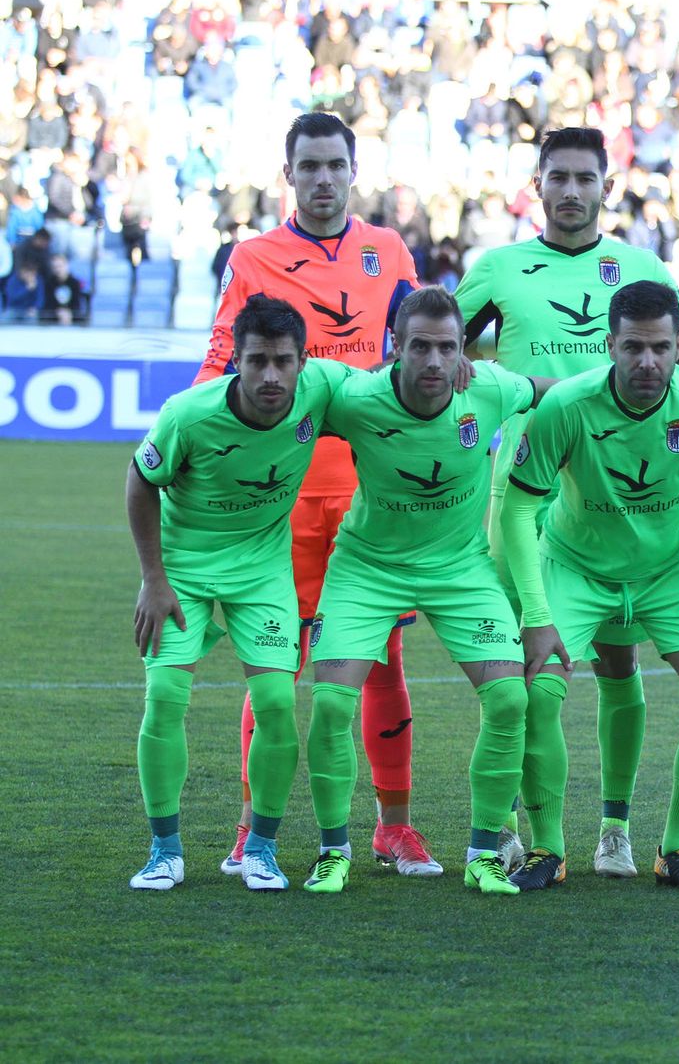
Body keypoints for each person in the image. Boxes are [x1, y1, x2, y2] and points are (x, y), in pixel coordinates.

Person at [455, 126, 679, 879]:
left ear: (608, 185)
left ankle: (638, 835)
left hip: (652, 537)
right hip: (533, 495)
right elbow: (434, 347)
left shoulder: (643, 276)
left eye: (585, 177)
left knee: (634, 667)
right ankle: (524, 832)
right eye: (557, 176)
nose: (571, 190)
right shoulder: (499, 268)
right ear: (536, 184)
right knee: (523, 675)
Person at [193, 112, 432, 878]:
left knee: (382, 658)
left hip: (372, 498)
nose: (324, 179)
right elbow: (220, 362)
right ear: (288, 173)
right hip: (285, 496)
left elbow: (420, 349)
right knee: (276, 664)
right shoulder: (254, 257)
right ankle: (248, 830)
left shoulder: (389, 252)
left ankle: (394, 826)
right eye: (310, 166)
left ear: (352, 170)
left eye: (336, 165)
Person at [500, 280, 679, 893]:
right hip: (575, 568)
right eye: (634, 347)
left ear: (678, 346)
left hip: (668, 571)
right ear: (610, 343)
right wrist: (535, 613)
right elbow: (513, 510)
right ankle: (548, 849)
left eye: (662, 348)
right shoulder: (565, 404)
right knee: (537, 694)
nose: (648, 362)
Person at [304, 286, 538, 896]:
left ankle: (485, 854)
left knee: (510, 700)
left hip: (461, 569)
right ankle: (334, 852)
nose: (434, 362)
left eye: (446, 348)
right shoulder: (357, 398)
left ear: (464, 349)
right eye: (420, 348)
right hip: (367, 567)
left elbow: (546, 388)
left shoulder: (487, 388)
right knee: (330, 704)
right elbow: (287, 385)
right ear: (394, 349)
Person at [127, 295, 355, 892]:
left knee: (278, 702)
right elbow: (140, 478)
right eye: (257, 361)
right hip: (184, 570)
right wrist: (153, 578)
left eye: (284, 360)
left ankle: (261, 848)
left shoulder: (321, 389)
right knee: (166, 697)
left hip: (262, 571)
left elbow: (391, 387)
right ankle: (163, 850)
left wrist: (458, 364)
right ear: (235, 359)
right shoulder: (188, 414)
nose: (271, 375)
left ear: (304, 360)